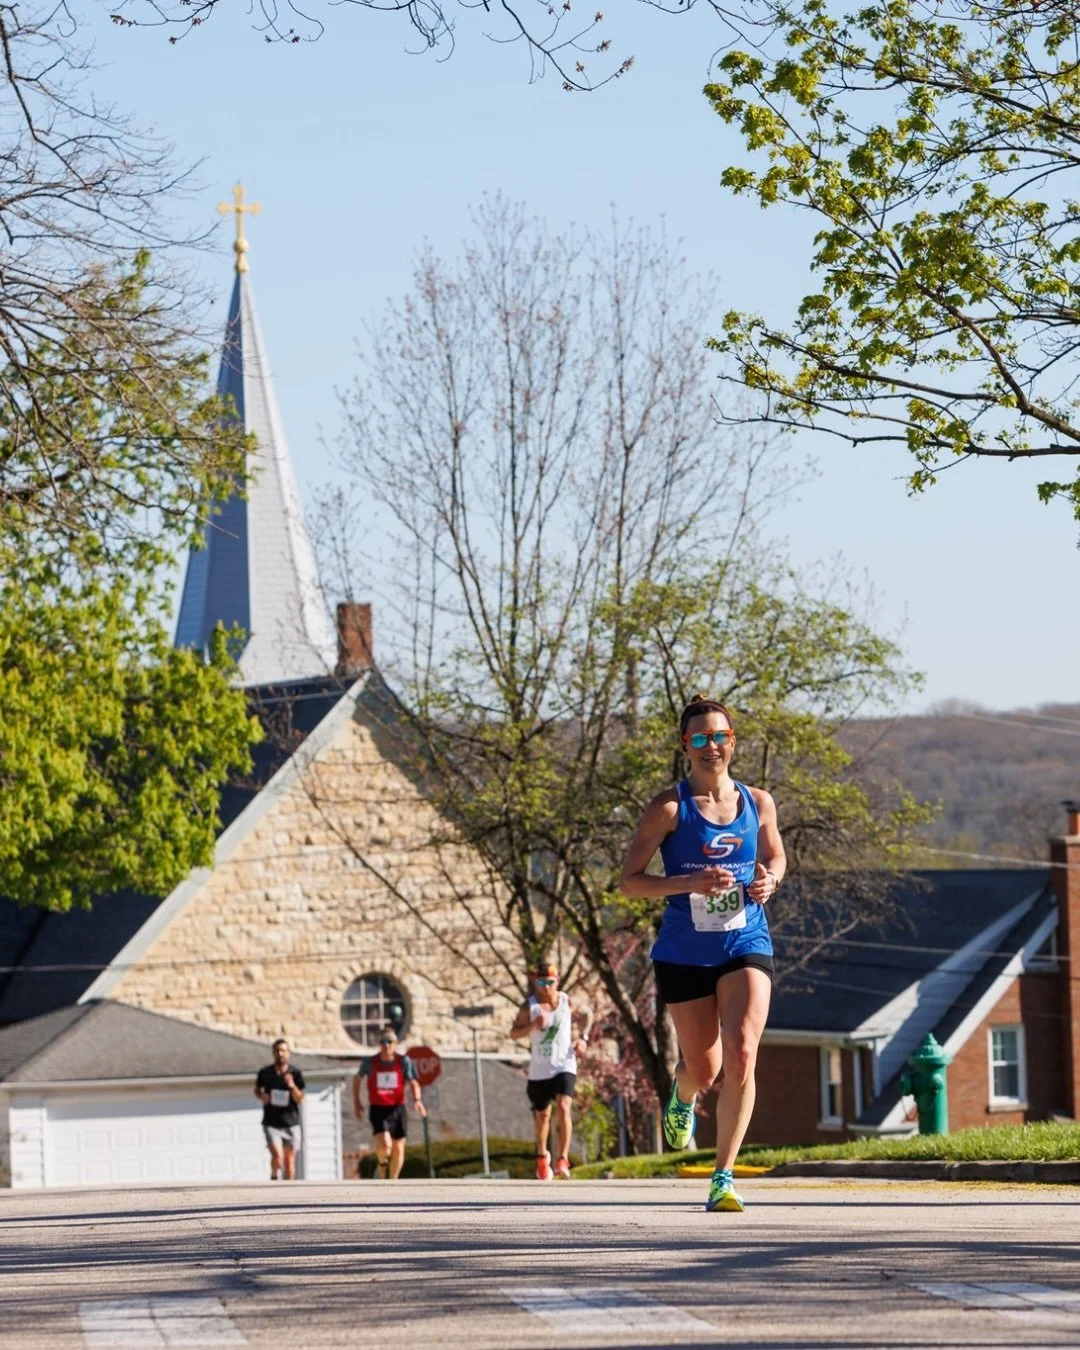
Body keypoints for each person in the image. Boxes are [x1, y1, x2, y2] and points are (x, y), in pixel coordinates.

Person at [620, 693, 786, 1212]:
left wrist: (770, 881)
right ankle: (683, 1091)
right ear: (684, 746)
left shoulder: (757, 802)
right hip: (685, 952)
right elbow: (629, 882)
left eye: (719, 737)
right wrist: (688, 881)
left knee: (741, 1053)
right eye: (700, 738)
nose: (710, 746)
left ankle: (723, 1177)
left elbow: (776, 854)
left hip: (745, 939)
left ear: (732, 742)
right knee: (706, 1069)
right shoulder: (669, 808)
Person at [509, 962, 589, 1180]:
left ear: (558, 981)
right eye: (540, 982)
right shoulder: (530, 1006)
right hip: (539, 1069)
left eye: (550, 982)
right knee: (543, 1116)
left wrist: (582, 1039)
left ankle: (562, 1158)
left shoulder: (566, 1001)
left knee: (564, 1106)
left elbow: (586, 1015)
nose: (545, 987)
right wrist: (532, 1025)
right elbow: (513, 1033)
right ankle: (542, 1156)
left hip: (565, 1063)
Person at [353, 1026, 426, 1179]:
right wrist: (357, 1101)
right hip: (378, 1108)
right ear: (379, 1044)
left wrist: (418, 1100)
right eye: (382, 1042)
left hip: (398, 1108)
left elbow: (413, 1082)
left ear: (395, 1043)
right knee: (385, 1144)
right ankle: (381, 1164)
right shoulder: (370, 1062)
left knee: (398, 1147)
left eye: (389, 1042)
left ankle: (392, 1180)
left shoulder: (403, 1061)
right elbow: (357, 1079)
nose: (386, 1045)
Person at [255, 1038, 306, 1180]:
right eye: (277, 1050)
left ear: (288, 1053)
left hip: (291, 1124)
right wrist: (261, 1096)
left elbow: (300, 1098)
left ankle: (286, 1194)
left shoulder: (295, 1074)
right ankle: (274, 1174)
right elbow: (257, 1090)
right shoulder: (265, 1073)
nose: (280, 1053)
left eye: (283, 1050)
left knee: (289, 1165)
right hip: (272, 1123)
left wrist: (292, 1085)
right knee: (278, 1158)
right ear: (273, 1053)